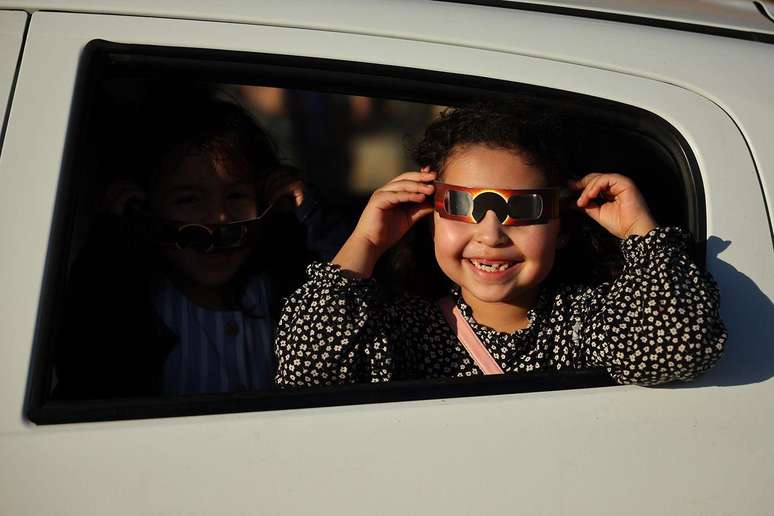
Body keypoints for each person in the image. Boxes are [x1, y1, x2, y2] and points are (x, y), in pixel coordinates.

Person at [274, 100, 727, 387]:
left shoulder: (585, 321)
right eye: (463, 206)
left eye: (524, 210)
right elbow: (305, 373)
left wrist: (641, 234)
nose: (491, 235)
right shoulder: (402, 330)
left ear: (562, 226)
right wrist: (366, 242)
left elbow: (677, 351)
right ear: (430, 219)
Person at [54, 87, 349, 399]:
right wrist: (110, 240)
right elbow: (82, 356)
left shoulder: (284, 288)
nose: (219, 218)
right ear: (141, 207)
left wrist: (310, 215)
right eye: (188, 200)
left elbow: (351, 298)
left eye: (236, 196)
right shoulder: (129, 305)